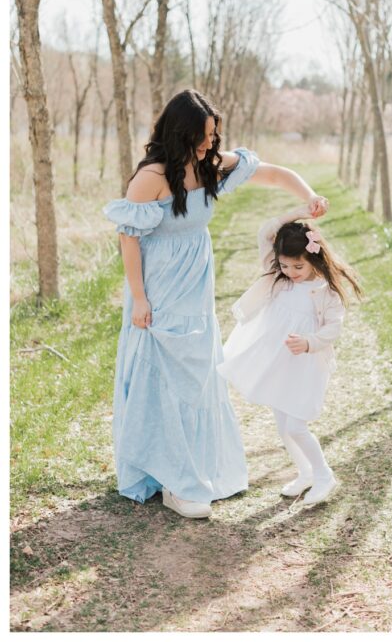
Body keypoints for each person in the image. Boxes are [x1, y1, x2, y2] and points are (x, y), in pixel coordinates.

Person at [103, 89, 328, 519]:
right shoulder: (151, 177)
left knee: (196, 374)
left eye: (213, 135)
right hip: (160, 287)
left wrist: (310, 194)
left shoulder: (208, 166)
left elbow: (276, 174)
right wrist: (139, 297)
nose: (210, 144)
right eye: (203, 136)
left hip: (196, 286)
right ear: (181, 132)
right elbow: (127, 238)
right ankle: (172, 480)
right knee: (166, 373)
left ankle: (194, 466)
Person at [218, 205, 362, 506]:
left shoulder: (325, 291)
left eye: (298, 267)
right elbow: (264, 232)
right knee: (283, 426)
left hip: (307, 363)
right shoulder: (277, 277)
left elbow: (333, 328)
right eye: (286, 266)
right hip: (279, 362)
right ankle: (305, 472)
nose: (291, 273)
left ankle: (324, 475)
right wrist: (297, 214)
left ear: (313, 257)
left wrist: (309, 341)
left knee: (296, 425)